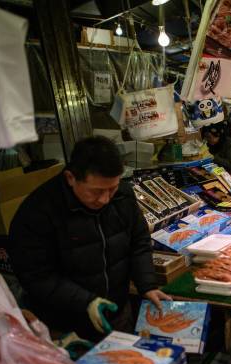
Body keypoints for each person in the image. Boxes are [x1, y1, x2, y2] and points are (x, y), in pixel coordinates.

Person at [9, 136, 170, 340]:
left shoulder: (123, 196)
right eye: (96, 192)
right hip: (64, 326)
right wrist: (87, 302)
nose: (104, 199)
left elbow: (139, 242)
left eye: (111, 189)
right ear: (70, 178)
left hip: (117, 314)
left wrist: (147, 285)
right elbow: (35, 275)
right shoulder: (38, 211)